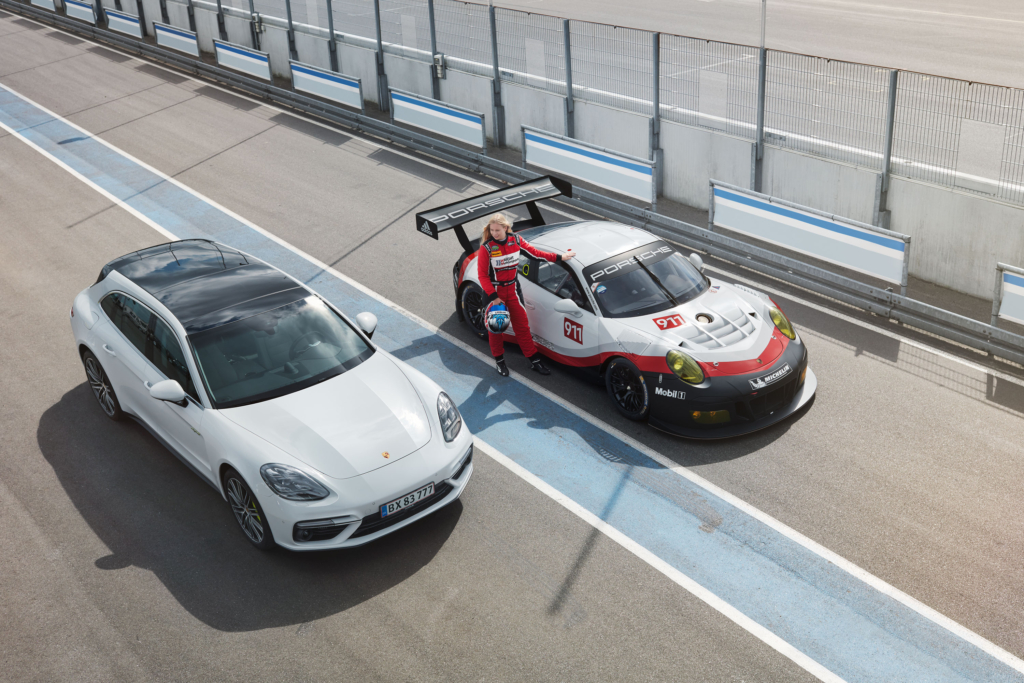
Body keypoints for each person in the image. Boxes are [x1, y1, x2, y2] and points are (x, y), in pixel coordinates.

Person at [477, 213, 575, 377]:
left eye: (498, 230)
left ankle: (534, 361)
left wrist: (560, 257)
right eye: (492, 230)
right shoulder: (486, 248)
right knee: (496, 329)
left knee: (522, 327)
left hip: (513, 290)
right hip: (495, 295)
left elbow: (536, 253)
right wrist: (494, 297)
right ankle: (500, 362)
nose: (494, 233)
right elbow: (482, 276)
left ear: (506, 228)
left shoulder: (515, 240)